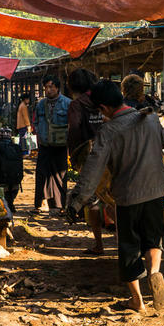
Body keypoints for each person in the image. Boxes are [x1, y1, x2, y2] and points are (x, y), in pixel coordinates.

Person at [66, 80, 164, 312]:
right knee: (153, 240)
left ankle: (138, 301)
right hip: (156, 191)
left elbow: (92, 170)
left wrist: (76, 201)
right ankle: (154, 273)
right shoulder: (151, 118)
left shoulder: (109, 131)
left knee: (129, 248)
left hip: (128, 195)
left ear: (103, 108)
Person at [66, 68, 105, 254]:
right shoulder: (102, 99)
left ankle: (99, 243)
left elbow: (74, 130)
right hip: (111, 153)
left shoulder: (76, 104)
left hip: (89, 157)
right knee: (112, 197)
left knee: (93, 200)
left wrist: (73, 155)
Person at [33, 76, 71, 213]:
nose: (48, 90)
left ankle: (60, 206)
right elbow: (36, 122)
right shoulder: (41, 104)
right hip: (44, 145)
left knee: (60, 175)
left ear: (57, 88)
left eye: (51, 87)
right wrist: (40, 135)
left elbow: (71, 124)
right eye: (46, 87)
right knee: (41, 174)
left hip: (60, 145)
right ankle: (39, 204)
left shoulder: (67, 103)